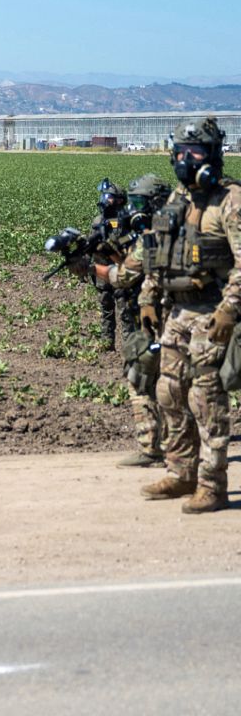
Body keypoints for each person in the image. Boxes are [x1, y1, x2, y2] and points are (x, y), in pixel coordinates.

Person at [138, 117, 239, 513]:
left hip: (213, 311)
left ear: (213, 155)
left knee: (206, 399)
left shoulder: (230, 201)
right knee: (169, 392)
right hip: (177, 312)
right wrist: (148, 297)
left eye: (195, 152)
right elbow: (157, 255)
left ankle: (212, 485)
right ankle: (181, 473)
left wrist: (230, 309)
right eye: (180, 152)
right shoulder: (178, 199)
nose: (186, 159)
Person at [92, 174, 174, 468]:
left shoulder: (156, 236)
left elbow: (125, 275)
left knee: (143, 379)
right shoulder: (183, 228)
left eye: (140, 203)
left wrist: (99, 270)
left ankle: (157, 450)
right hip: (177, 319)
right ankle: (180, 455)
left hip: (169, 320)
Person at [89, 178, 138, 351]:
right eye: (105, 196)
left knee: (126, 312)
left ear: (119, 200)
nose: (105, 199)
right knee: (106, 310)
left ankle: (129, 346)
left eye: (109, 196)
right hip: (102, 273)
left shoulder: (126, 221)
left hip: (120, 272)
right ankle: (106, 342)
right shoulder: (97, 221)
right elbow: (91, 245)